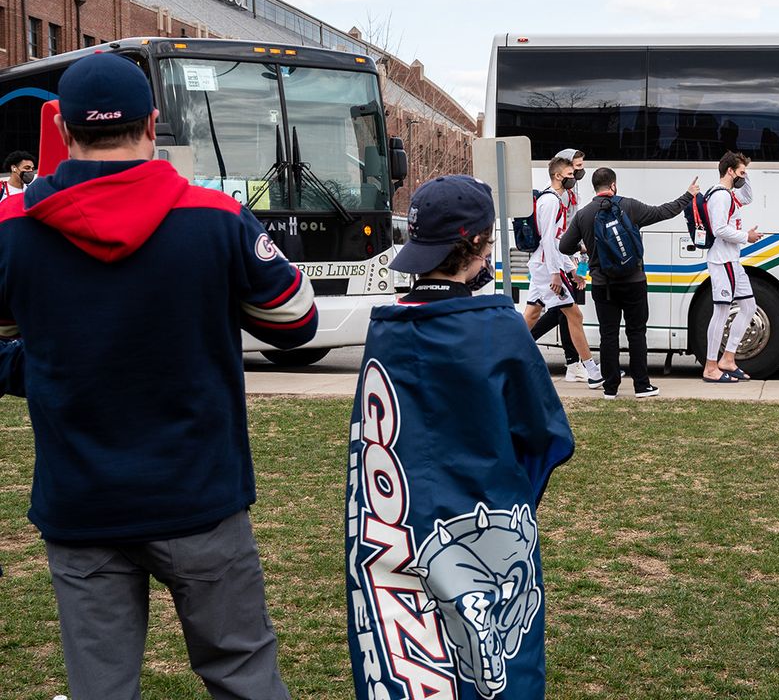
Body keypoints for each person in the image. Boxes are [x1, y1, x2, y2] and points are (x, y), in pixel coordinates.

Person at [0, 54, 317, 699]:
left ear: (62, 131)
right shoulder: (217, 217)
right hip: (200, 495)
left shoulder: (11, 229)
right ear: (154, 123)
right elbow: (296, 322)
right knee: (243, 676)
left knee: (102, 688)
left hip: (81, 499)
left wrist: (42, 364)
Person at [347, 174, 573, 699]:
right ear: (475, 246)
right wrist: (514, 500)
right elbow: (546, 436)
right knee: (495, 653)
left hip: (393, 525)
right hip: (486, 518)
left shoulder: (386, 327)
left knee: (405, 654)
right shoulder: (498, 326)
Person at [560, 166, 699, 399]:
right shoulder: (629, 206)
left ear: (596, 188)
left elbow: (564, 246)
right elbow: (663, 212)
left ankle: (610, 388)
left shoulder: (583, 215)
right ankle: (642, 385)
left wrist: (584, 247)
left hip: (603, 285)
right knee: (636, 333)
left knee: (609, 334)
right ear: (613, 185)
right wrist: (688, 195)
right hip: (634, 280)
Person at [523, 154, 602, 387]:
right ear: (557, 176)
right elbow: (549, 241)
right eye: (569, 175)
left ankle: (500, 358)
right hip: (547, 270)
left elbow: (556, 241)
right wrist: (557, 273)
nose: (573, 178)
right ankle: (591, 371)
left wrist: (571, 268)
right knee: (574, 315)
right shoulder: (551, 201)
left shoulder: (556, 199)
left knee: (531, 315)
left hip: (543, 267)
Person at [702, 151, 761, 383]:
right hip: (721, 261)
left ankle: (727, 358)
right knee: (722, 311)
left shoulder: (729, 194)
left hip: (732, 260)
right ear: (729, 171)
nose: (743, 176)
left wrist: (746, 174)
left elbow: (748, 197)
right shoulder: (721, 196)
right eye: (740, 172)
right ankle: (710, 366)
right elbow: (719, 230)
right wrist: (746, 236)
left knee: (748, 306)